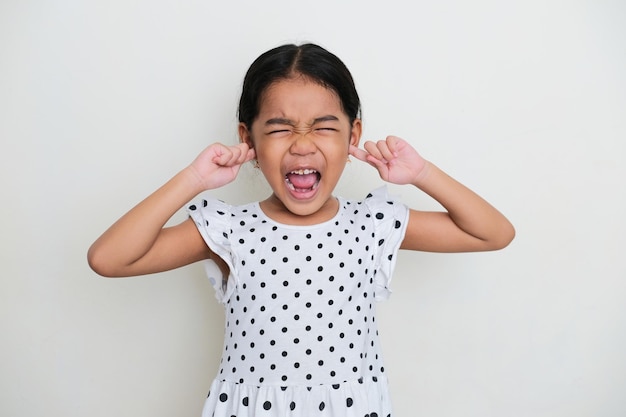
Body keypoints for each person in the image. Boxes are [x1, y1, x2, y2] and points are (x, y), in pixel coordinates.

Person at [88, 43, 514, 417]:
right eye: (279, 127)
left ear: (354, 135)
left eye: (325, 126)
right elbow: (108, 258)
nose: (302, 143)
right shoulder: (228, 231)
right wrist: (192, 180)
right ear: (248, 139)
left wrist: (421, 173)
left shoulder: (372, 225)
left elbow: (492, 233)